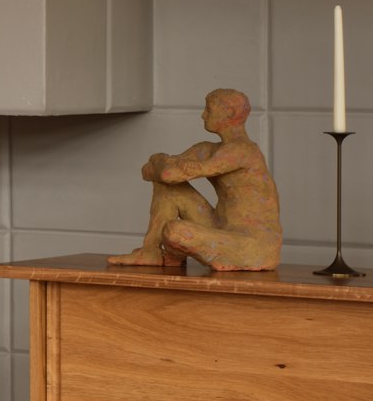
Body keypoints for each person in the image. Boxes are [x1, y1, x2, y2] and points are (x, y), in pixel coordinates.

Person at [112, 87, 281, 272]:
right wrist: (161, 162)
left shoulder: (243, 151)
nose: (202, 115)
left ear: (229, 113)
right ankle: (150, 250)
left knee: (175, 232)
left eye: (209, 109)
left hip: (253, 243)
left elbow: (168, 173)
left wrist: (160, 160)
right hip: (222, 228)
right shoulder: (206, 150)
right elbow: (149, 171)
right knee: (169, 190)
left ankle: (184, 254)